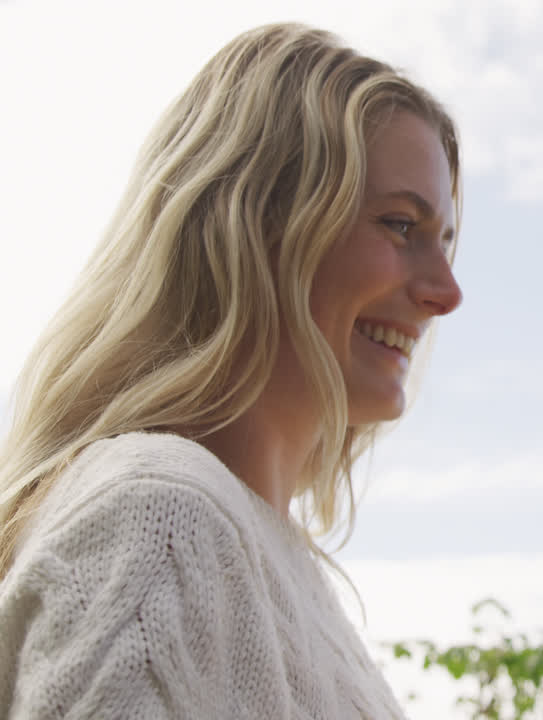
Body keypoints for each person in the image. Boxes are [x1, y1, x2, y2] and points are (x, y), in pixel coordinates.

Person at [0, 23, 462, 718]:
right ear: (251, 222)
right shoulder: (159, 513)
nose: (446, 294)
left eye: (445, 243)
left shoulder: (271, 564)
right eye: (400, 225)